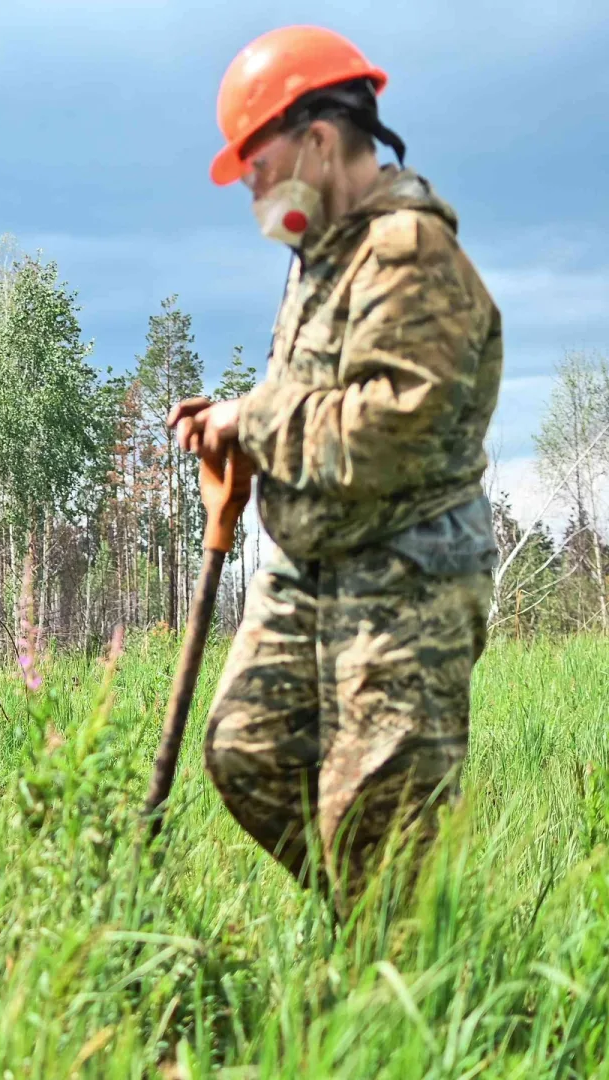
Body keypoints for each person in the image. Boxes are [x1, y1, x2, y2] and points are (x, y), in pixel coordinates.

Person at [169, 26, 500, 905]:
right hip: (316, 563)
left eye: (257, 158)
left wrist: (256, 416)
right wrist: (237, 427)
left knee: (381, 823)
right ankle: (375, 924)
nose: (248, 181)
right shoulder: (320, 262)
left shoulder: (411, 252)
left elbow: (384, 432)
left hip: (406, 569)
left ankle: (408, 970)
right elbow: (316, 399)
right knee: (248, 748)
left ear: (318, 140)